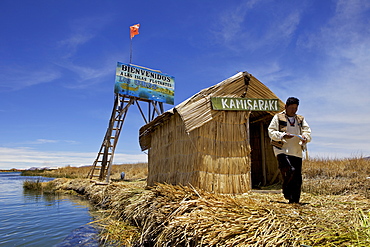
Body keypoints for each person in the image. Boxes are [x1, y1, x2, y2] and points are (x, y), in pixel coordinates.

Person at [268, 97, 311, 204]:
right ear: (286, 107)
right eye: (291, 108)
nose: (293, 110)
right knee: (289, 170)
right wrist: (282, 135)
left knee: (297, 177)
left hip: (296, 151)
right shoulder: (278, 117)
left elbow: (307, 131)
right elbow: (271, 131)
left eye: (295, 108)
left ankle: (294, 200)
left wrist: (305, 137)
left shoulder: (300, 119)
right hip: (282, 150)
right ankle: (286, 190)